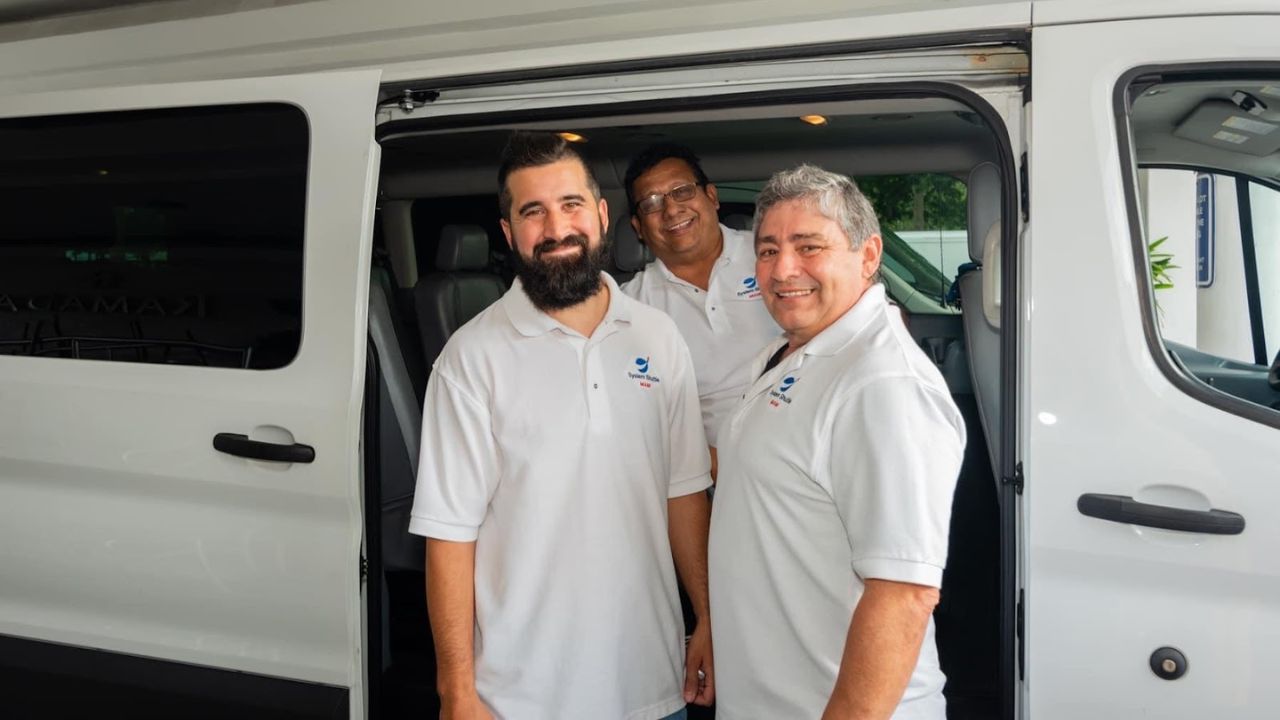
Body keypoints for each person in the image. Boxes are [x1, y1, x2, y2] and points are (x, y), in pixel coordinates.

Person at [408, 131, 714, 720]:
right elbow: (449, 537)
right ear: (508, 234)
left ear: (601, 216)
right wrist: (456, 692)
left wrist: (708, 619)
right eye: (533, 212)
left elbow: (684, 494)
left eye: (571, 205)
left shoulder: (658, 337)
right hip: (520, 698)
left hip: (651, 686)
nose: (556, 228)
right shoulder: (469, 360)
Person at [708, 164, 965, 719]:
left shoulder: (884, 384)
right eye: (769, 249)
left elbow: (904, 593)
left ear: (868, 256)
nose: (783, 269)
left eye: (808, 246)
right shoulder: (788, 352)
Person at [620, 144, 780, 477]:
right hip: (713, 479)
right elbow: (637, 418)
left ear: (711, 196)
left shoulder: (774, 256)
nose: (671, 209)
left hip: (807, 447)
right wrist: (716, 465)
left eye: (682, 191)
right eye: (652, 202)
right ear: (638, 226)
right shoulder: (629, 308)